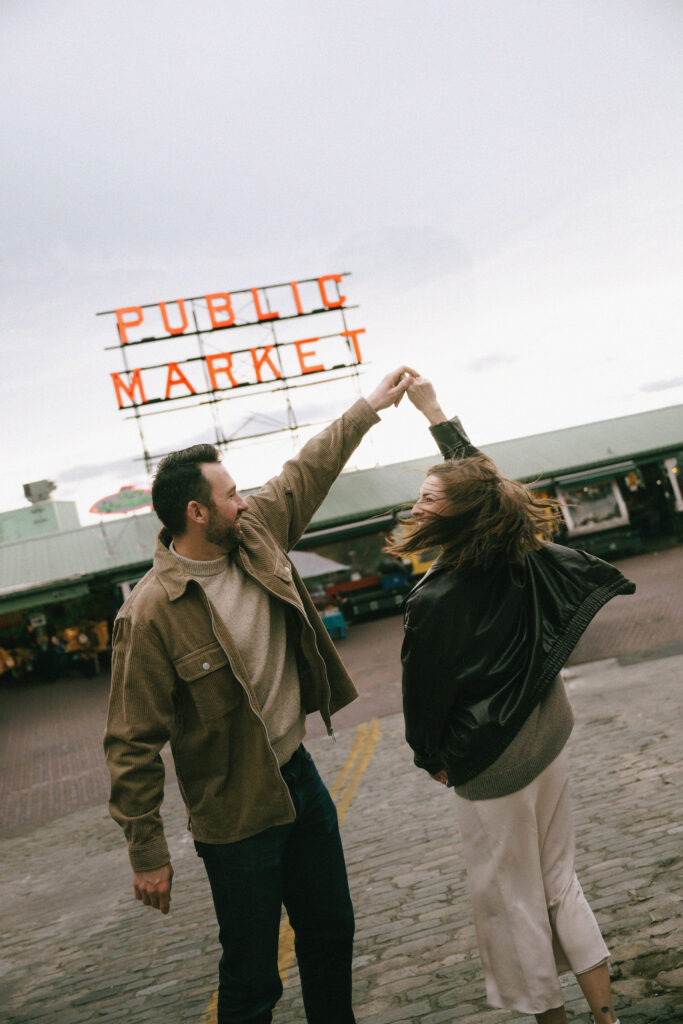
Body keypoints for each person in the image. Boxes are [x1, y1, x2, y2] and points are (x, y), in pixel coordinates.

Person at [103, 366, 416, 1024]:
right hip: (233, 813)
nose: (244, 502)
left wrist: (368, 405)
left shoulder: (254, 536)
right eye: (230, 494)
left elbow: (307, 469)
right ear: (197, 512)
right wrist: (147, 852)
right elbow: (130, 741)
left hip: (297, 776)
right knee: (251, 976)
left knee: (330, 934)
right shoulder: (152, 612)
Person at [388, 377, 633, 1024]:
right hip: (549, 734)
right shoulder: (513, 547)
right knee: (560, 882)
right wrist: (435, 414)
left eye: (427, 498)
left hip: (491, 765)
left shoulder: (432, 600)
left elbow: (424, 700)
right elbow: (481, 481)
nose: (415, 505)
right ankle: (604, 1017)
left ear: (455, 514)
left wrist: (428, 760)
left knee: (512, 900)